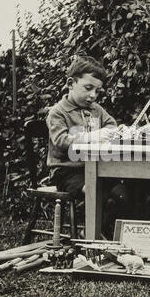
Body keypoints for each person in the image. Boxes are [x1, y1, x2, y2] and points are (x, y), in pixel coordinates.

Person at [46, 55, 128, 236]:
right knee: (97, 190)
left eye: (97, 91)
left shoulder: (95, 109)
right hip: (66, 171)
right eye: (88, 88)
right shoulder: (58, 112)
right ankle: (93, 232)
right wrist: (93, 136)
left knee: (124, 194)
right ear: (70, 83)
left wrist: (113, 133)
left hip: (95, 168)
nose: (93, 95)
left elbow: (111, 124)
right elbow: (61, 142)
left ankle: (96, 230)